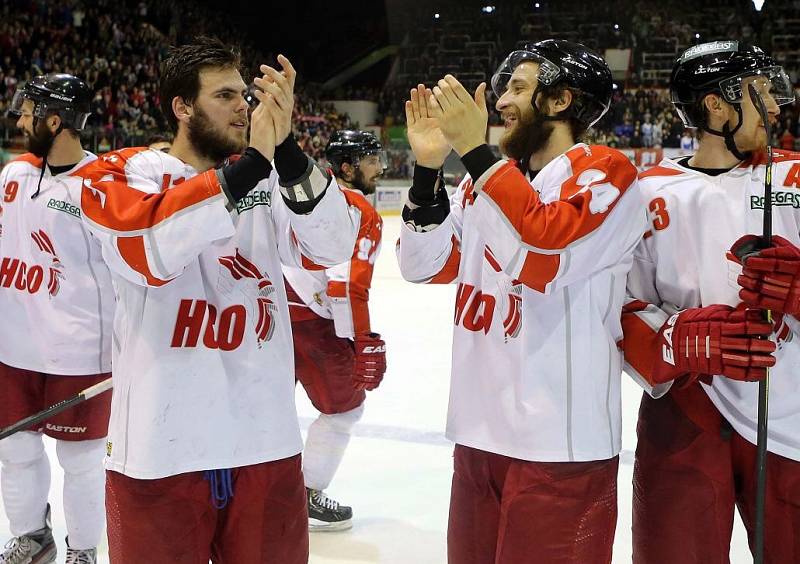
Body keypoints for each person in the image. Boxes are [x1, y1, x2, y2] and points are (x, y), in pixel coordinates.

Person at [78, 37, 357, 563]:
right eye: (224, 95)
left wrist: (289, 150)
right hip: (160, 449)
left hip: (264, 442)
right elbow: (150, 251)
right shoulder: (120, 173)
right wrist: (253, 162)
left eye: (244, 95)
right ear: (182, 107)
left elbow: (332, 244)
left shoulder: (271, 180)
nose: (242, 107)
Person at [397, 39, 647, 563]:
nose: (500, 101)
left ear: (560, 102)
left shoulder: (604, 172)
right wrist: (426, 171)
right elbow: (425, 266)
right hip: (477, 431)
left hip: (559, 444)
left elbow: (542, 254)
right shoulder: (481, 183)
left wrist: (476, 154)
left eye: (517, 87)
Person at [622, 41, 799, 563]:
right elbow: (614, 307)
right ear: (716, 105)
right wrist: (677, 338)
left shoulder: (796, 176)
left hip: (791, 414)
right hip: (685, 410)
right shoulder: (647, 191)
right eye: (760, 91)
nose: (775, 105)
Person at [0, 74, 113, 564]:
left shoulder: (103, 187)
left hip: (78, 352)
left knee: (82, 461)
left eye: (28, 111)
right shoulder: (11, 176)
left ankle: (83, 549)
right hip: (11, 347)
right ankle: (32, 534)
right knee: (15, 451)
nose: (19, 119)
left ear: (54, 120)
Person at [283, 129, 387, 531]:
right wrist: (363, 341)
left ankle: (252, 494)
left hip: (266, 316)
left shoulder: (298, 196)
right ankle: (306, 495)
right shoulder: (360, 210)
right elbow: (349, 284)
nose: (380, 167)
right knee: (345, 411)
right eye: (371, 160)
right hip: (314, 327)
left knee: (263, 414)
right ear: (347, 167)